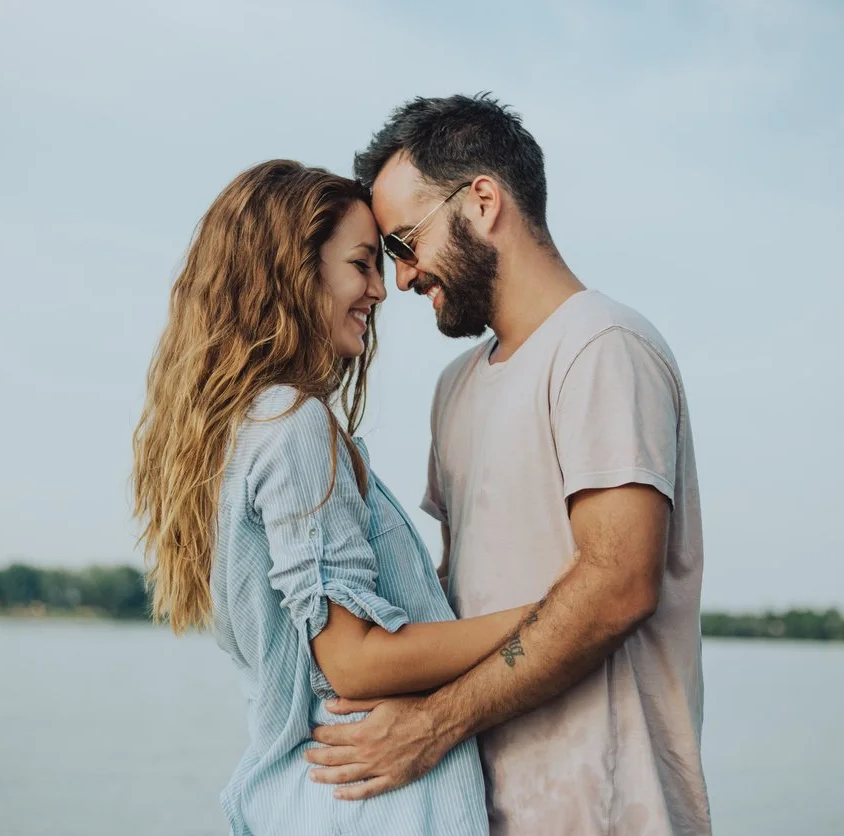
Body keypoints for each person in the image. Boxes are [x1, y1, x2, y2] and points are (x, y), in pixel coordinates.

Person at [303, 95, 712, 835]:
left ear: (483, 201)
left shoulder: (602, 347)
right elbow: (456, 601)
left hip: (613, 812)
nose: (401, 279)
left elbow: (618, 588)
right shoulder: (454, 389)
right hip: (478, 811)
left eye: (404, 243)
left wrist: (433, 725)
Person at [131, 159, 542, 836]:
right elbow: (351, 661)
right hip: (372, 807)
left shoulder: (240, 430)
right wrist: (546, 615)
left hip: (311, 800)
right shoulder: (290, 423)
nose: (381, 291)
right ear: (294, 271)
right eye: (362, 264)